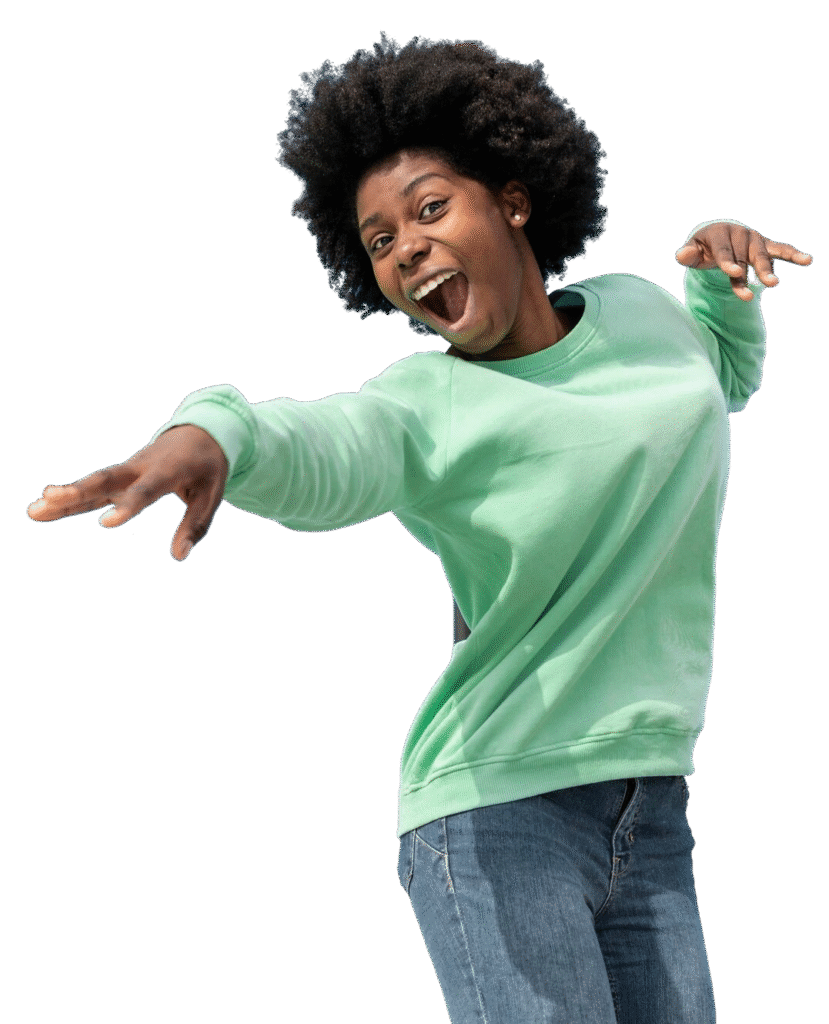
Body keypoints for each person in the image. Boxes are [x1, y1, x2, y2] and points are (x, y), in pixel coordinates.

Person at [27, 34, 812, 1024]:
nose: (406, 248)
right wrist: (215, 434)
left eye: (430, 209)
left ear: (513, 200)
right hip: (498, 812)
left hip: (652, 810)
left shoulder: (639, 313)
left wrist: (720, 268)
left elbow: (715, 379)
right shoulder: (426, 404)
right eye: (379, 240)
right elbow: (329, 443)